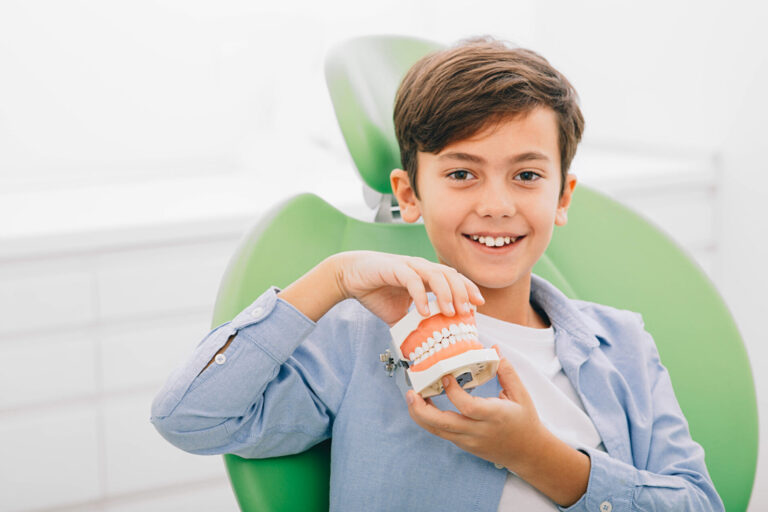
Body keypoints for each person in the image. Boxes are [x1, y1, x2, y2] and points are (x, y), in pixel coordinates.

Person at [150, 36, 725, 511]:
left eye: (526, 175)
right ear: (409, 193)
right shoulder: (361, 339)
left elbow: (699, 503)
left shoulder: (622, 344)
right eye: (461, 174)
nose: (496, 203)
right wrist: (333, 278)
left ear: (562, 196)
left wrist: (536, 454)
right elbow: (190, 419)